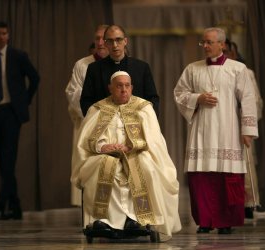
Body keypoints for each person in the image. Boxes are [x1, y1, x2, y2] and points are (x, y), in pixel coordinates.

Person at [72, 71, 181, 239]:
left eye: (127, 86)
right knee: (103, 167)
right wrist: (104, 146)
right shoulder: (98, 108)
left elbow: (154, 139)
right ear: (110, 88)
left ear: (132, 88)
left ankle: (137, 220)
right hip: (106, 155)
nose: (123, 90)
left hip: (137, 153)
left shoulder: (144, 107)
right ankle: (103, 220)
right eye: (119, 86)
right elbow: (87, 139)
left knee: (145, 168)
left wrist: (133, 145)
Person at [174, 27, 258, 234]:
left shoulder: (238, 69)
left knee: (227, 178)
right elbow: (179, 93)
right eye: (203, 42)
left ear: (222, 44)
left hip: (228, 131)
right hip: (202, 131)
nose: (205, 46)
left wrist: (247, 130)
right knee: (201, 179)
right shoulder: (192, 69)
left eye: (210, 42)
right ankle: (204, 221)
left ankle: (225, 222)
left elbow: (248, 99)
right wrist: (197, 98)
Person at [0, 21, 40, 219]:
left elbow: (35, 78)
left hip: (11, 113)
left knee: (8, 157)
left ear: (8, 36)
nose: (1, 36)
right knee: (2, 160)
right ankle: (15, 205)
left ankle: (1, 202)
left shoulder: (18, 56)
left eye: (5, 33)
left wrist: (24, 102)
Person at [65, 25, 109, 206]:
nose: (99, 43)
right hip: (89, 123)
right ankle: (90, 212)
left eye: (103, 38)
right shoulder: (82, 65)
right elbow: (73, 94)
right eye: (97, 38)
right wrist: (96, 111)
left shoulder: (122, 64)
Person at [80, 25, 159, 116]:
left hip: (136, 123)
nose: (115, 45)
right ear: (105, 44)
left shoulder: (142, 68)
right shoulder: (94, 69)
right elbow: (86, 101)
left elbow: (153, 99)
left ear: (125, 41)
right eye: (110, 41)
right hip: (105, 125)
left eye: (118, 40)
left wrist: (148, 120)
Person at [224, 39, 264, 218]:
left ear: (233, 54)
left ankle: (248, 203)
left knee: (245, 165)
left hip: (239, 124)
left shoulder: (245, 72)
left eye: (227, 52)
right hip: (221, 126)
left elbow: (254, 100)